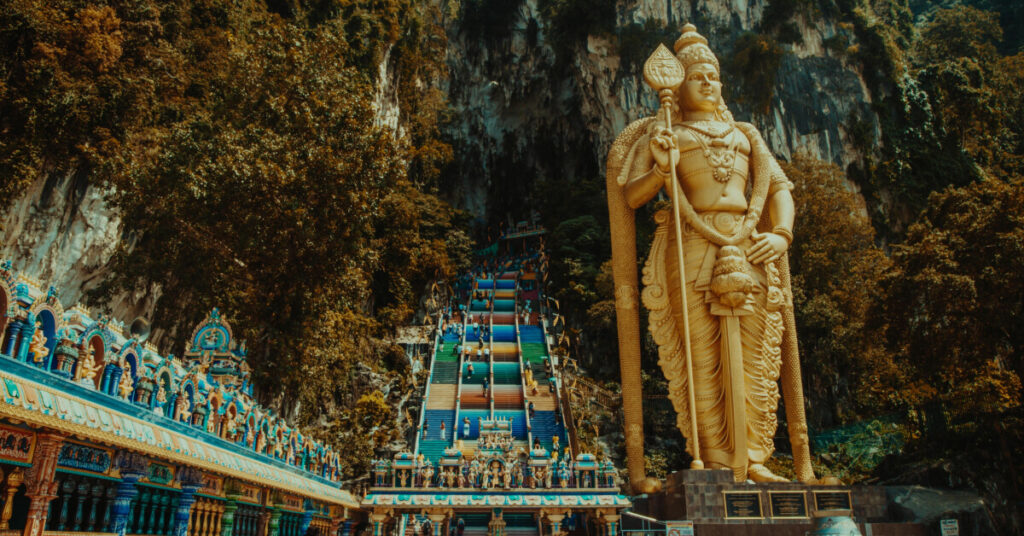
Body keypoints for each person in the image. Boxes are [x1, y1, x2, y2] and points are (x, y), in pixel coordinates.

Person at [607, 24, 810, 485]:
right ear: (677, 85)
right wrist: (661, 168)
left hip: (749, 244)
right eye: (696, 75)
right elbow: (631, 196)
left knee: (757, 355)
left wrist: (781, 234)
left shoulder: (746, 134)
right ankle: (716, 459)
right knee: (700, 359)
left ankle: (756, 459)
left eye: (712, 75)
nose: (707, 82)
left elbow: (778, 188)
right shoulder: (664, 134)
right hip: (691, 245)